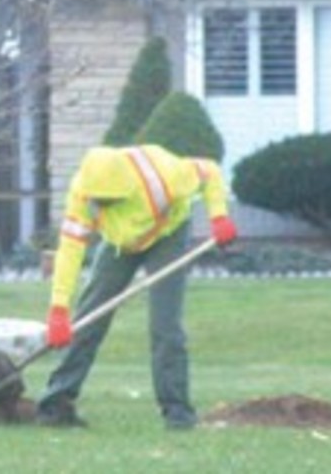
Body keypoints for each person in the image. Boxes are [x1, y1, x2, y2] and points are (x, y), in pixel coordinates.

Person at [35, 144, 238, 430]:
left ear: (123, 190)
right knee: (88, 318)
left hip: (166, 235)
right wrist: (58, 310)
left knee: (165, 325)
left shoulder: (165, 173)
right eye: (97, 201)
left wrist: (219, 215)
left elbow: (209, 171)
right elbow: (70, 251)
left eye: (107, 202)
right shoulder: (83, 192)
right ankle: (55, 405)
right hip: (119, 244)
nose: (100, 206)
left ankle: (177, 412)